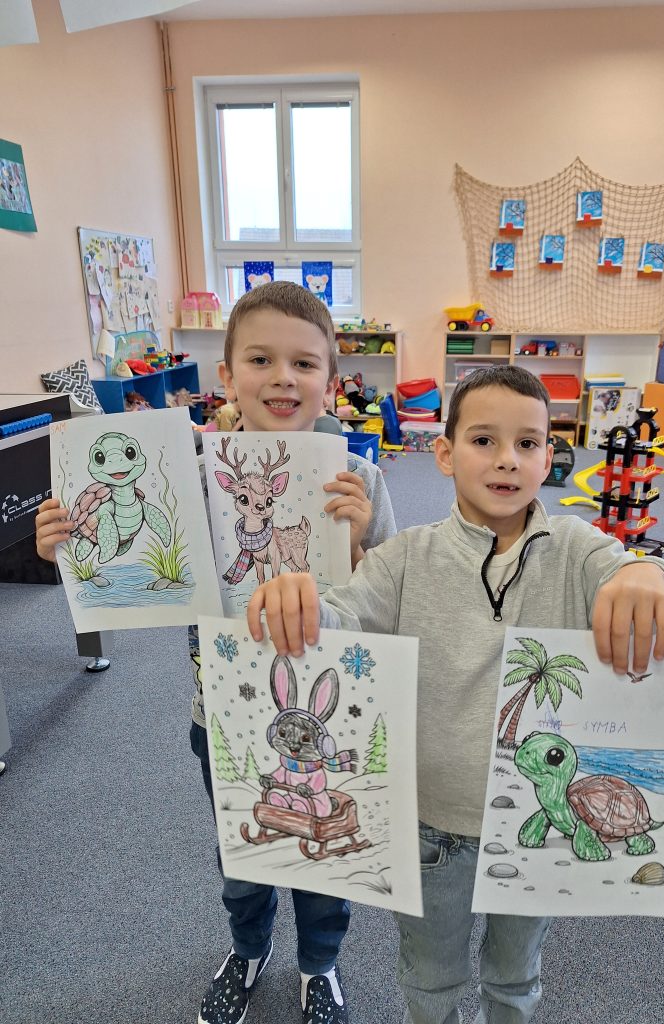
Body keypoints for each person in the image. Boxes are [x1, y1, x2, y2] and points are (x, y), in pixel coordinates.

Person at [247, 365, 664, 1024]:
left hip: (537, 826)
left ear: (548, 458)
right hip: (430, 827)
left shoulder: (578, 548)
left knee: (515, 977)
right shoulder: (405, 557)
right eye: (484, 440)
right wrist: (299, 597)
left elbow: (656, 588)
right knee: (430, 978)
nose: (508, 459)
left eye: (528, 443)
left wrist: (647, 573)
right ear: (445, 454)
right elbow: (342, 620)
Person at [34, 281, 397, 1024]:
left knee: (325, 851)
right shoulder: (187, 475)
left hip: (332, 713)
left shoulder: (360, 480)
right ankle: (248, 949)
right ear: (227, 376)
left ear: (332, 380)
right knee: (243, 849)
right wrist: (68, 549)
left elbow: (392, 605)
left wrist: (360, 541)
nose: (283, 378)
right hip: (223, 712)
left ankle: (320, 965)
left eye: (305, 363)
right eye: (261, 360)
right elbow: (132, 565)